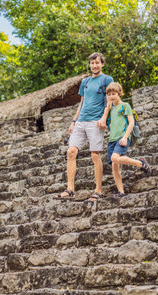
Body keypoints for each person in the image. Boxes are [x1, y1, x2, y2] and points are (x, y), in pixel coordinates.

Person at [53, 52, 114, 202]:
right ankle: (70, 189)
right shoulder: (85, 82)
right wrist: (74, 121)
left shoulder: (107, 79)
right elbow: (82, 103)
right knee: (71, 152)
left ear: (102, 64)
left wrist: (104, 118)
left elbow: (109, 101)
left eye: (97, 63)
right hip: (81, 121)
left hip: (95, 121)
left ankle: (98, 190)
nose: (94, 66)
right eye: (92, 63)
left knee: (95, 155)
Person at [105, 82, 151, 197]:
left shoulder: (125, 106)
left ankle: (141, 163)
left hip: (122, 137)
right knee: (114, 167)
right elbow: (109, 126)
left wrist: (125, 137)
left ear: (119, 94)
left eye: (114, 93)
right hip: (112, 140)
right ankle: (121, 191)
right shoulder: (111, 109)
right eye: (109, 94)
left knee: (115, 158)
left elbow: (131, 123)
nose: (111, 96)